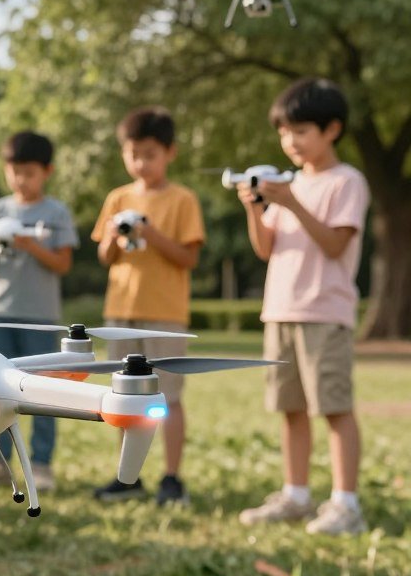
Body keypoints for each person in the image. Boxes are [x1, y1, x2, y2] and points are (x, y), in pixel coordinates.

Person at [235, 78, 369, 535]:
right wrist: (256, 209)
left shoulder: (346, 182)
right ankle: (295, 495)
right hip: (280, 310)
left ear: (332, 129)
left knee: (333, 407)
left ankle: (345, 504)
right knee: (289, 408)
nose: (289, 141)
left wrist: (290, 202)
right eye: (283, 132)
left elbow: (334, 244)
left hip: (324, 313)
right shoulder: (285, 187)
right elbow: (265, 248)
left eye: (300, 131)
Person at [90, 107, 205, 505]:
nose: (141, 163)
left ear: (170, 152)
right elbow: (105, 257)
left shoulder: (182, 199)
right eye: (133, 154)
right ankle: (128, 477)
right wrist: (113, 236)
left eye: (150, 154)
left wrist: (149, 232)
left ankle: (171, 478)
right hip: (121, 311)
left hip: (165, 315)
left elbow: (188, 259)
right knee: (125, 396)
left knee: (168, 396)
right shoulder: (117, 198)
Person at [0, 131, 78, 492]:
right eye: (14, 171)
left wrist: (30, 245)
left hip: (40, 316)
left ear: (47, 171)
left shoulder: (56, 212)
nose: (21, 179)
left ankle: (42, 464)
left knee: (43, 391)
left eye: (29, 172)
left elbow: (63, 264)